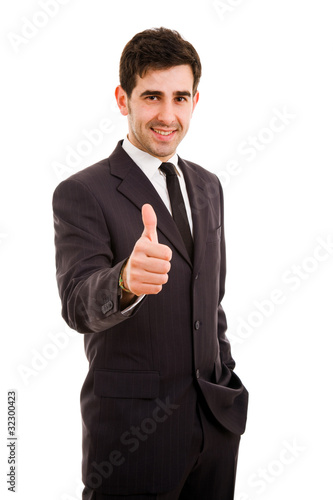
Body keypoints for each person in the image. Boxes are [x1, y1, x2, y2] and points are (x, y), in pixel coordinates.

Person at [53, 27, 248, 500]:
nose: (167, 115)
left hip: (215, 426)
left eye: (180, 97)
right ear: (123, 99)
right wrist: (124, 281)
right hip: (132, 438)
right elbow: (78, 304)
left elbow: (211, 299)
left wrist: (225, 376)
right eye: (152, 97)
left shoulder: (208, 186)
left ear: (195, 100)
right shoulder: (83, 192)